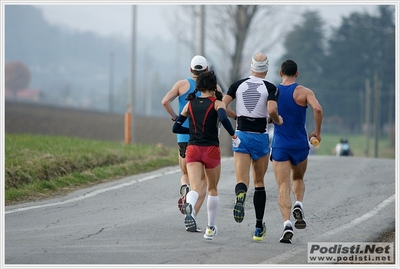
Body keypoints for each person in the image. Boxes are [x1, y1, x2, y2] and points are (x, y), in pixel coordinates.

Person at [172, 70, 240, 240]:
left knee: (195, 187)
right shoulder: (217, 104)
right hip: (211, 150)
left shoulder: (189, 104)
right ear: (213, 85)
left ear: (199, 86)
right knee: (212, 188)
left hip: (193, 149)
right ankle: (210, 228)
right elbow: (224, 120)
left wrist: (193, 131)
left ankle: (190, 203)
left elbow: (176, 128)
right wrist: (233, 135)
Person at [222, 53, 283, 241]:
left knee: (242, 179)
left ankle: (240, 195)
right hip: (260, 137)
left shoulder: (237, 84)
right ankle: (258, 227)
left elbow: (221, 107)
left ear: (251, 67)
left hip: (241, 135)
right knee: (259, 182)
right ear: (266, 68)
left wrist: (235, 116)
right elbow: (272, 109)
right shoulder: (270, 87)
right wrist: (276, 120)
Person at [162, 55, 217, 230]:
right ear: (207, 70)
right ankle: (192, 214)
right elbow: (221, 104)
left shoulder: (181, 85)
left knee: (185, 173)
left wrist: (176, 118)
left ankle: (185, 187)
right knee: (202, 183)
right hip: (204, 138)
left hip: (183, 137)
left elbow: (165, 101)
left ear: (190, 70)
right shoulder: (212, 86)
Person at [270, 59, 323, 243]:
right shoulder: (304, 92)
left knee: (282, 187)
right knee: (298, 178)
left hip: (280, 145)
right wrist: (317, 132)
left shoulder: (273, 91)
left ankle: (287, 225)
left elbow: (268, 112)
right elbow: (317, 108)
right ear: (297, 74)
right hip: (300, 144)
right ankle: (298, 204)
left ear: (280, 73)